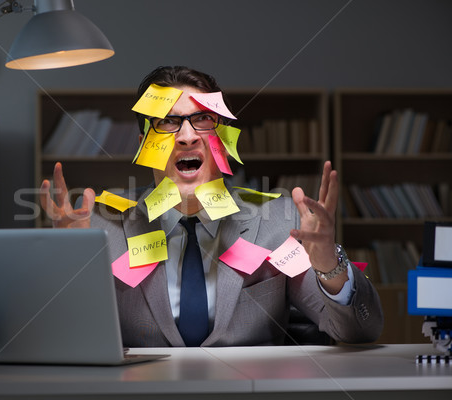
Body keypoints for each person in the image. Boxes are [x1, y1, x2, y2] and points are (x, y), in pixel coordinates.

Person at [40, 66, 383, 347]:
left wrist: (328, 263)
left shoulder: (279, 220)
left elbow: (359, 333)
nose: (187, 136)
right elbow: (57, 339)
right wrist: (68, 262)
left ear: (222, 138)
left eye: (203, 120)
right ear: (144, 142)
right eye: (167, 121)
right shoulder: (101, 225)